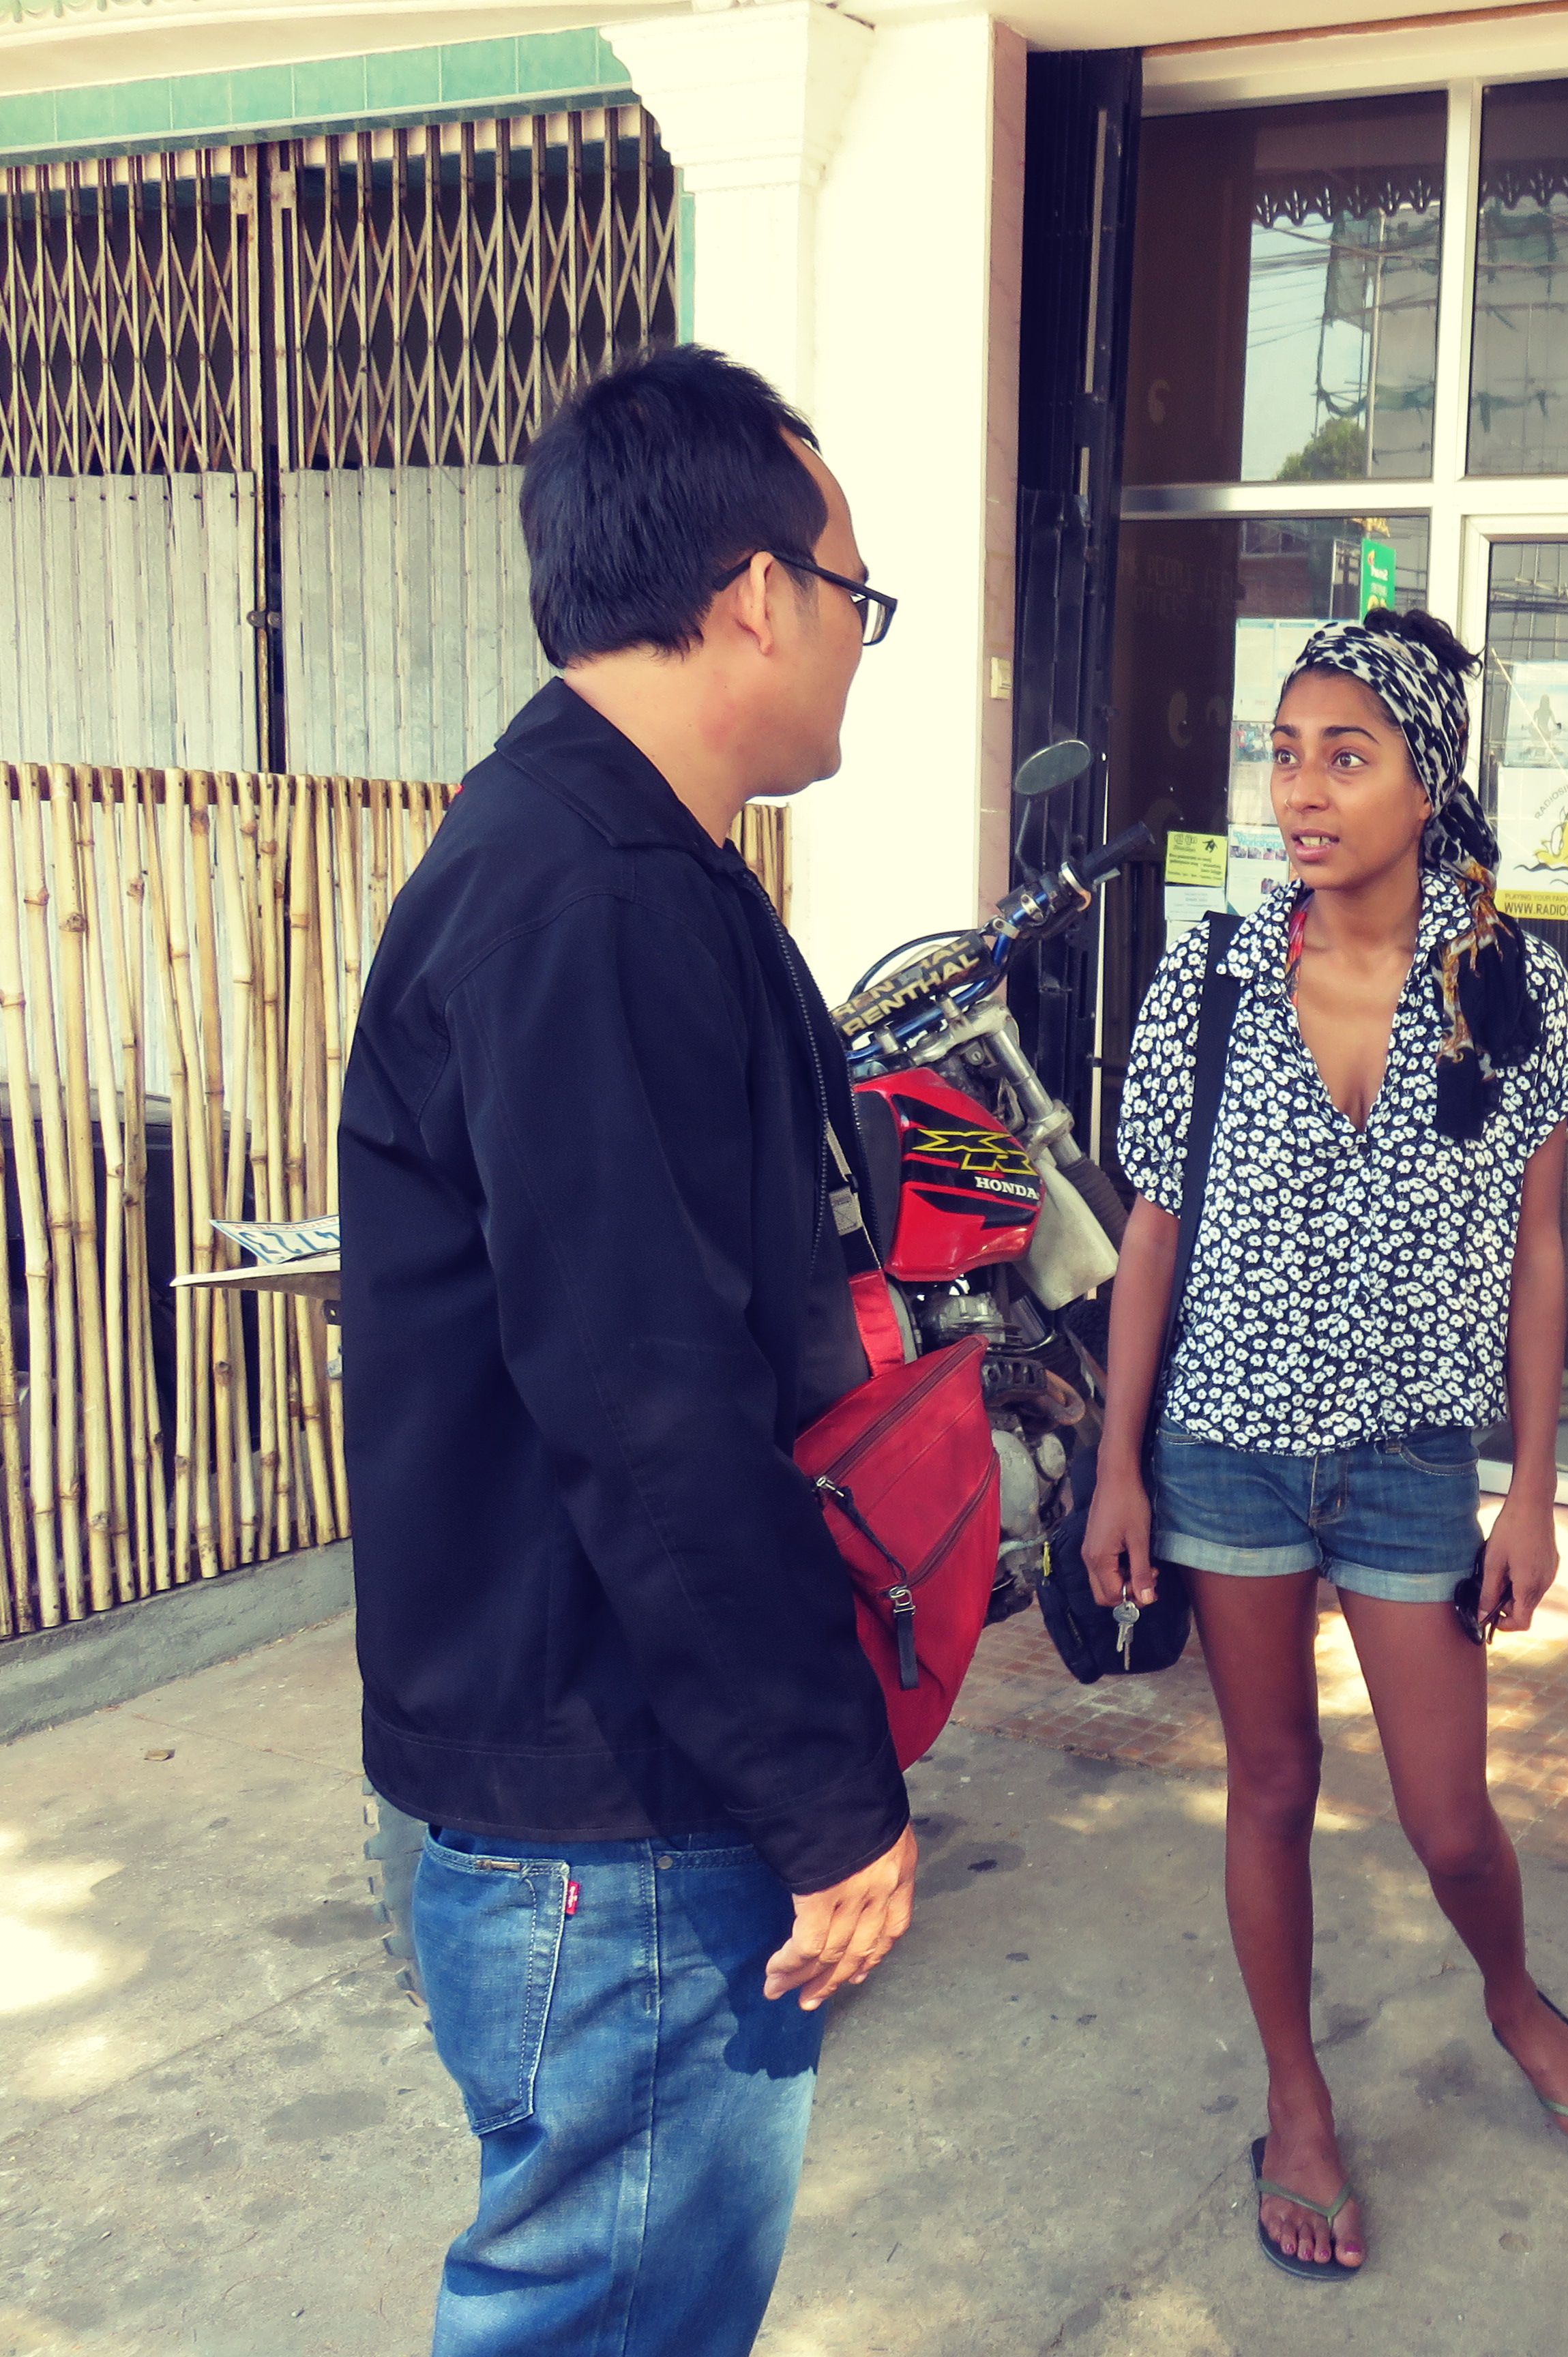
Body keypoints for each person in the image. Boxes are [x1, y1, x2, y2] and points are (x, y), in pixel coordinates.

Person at [340, 344, 917, 2356]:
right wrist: (827, 1798)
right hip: (613, 1805)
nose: (856, 641)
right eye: (853, 593)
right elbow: (653, 1405)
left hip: (581, 1772)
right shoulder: (585, 897)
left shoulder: (615, 856)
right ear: (757, 593)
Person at [1080, 608, 1568, 2281]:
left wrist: (1532, 1490)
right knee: (1270, 1784)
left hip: (1411, 1459)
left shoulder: (1514, 988)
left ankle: (1514, 1998)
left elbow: (1537, 1252)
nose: (1303, 791)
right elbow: (1151, 1236)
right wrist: (1118, 1466)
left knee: (1450, 1814)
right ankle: (1298, 2097)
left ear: (1427, 783)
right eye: (1284, 754)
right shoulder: (1210, 973)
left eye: (1347, 755)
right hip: (1226, 1447)